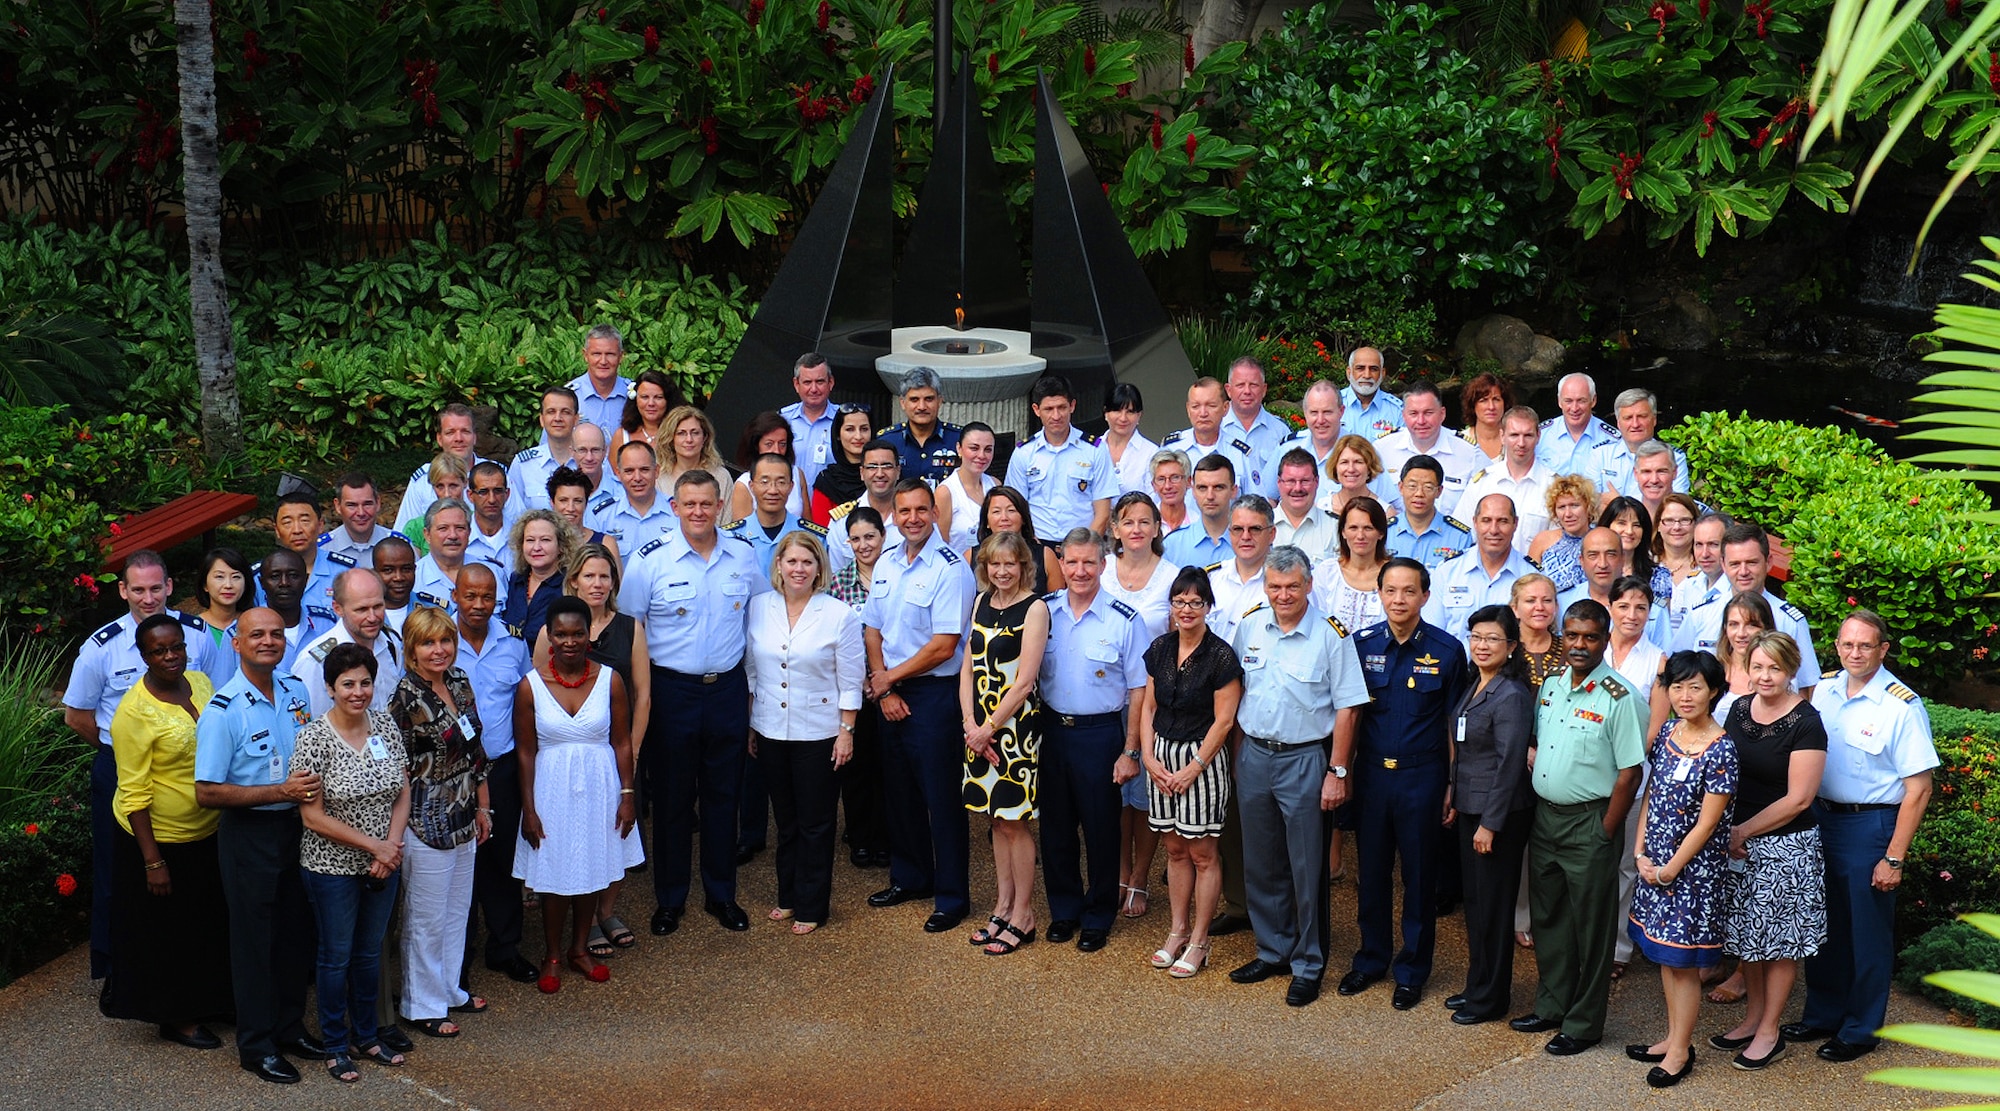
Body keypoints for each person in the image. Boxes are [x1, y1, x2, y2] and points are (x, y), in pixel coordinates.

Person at [619, 469, 766, 937]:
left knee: (725, 797)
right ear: (675, 508)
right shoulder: (651, 560)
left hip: (725, 688)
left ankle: (722, 894)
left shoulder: (742, 556)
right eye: (690, 505)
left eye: (707, 504)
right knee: (673, 799)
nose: (699, 512)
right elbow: (632, 630)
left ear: (720, 506)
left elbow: (759, 624)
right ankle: (670, 899)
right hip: (671, 691)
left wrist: (751, 696)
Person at [1790, 610, 1939, 1062]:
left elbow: (1919, 788)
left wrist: (1893, 858)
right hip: (1823, 819)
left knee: (1866, 933)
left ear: (1883, 650)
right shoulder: (1825, 692)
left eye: (1865, 645)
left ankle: (1860, 1028)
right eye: (1847, 644)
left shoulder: (1901, 706)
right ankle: (1823, 1014)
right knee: (1824, 925)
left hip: (1870, 826)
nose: (1855, 652)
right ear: (1836, 646)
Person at [1230, 546, 1371, 1007]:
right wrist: (1237, 757)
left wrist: (1338, 771)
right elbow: (1236, 694)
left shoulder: (1332, 635)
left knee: (1307, 867)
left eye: (1292, 586)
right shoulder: (1250, 624)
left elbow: (1348, 707)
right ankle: (1273, 950)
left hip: (1306, 759)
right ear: (1265, 586)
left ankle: (1309, 964)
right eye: (1275, 586)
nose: (1283, 594)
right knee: (1261, 861)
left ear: (1309, 585)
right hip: (1254, 755)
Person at [70, 550, 220, 983]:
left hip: (188, 774)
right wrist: (127, 752)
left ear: (170, 586)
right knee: (118, 871)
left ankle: (188, 970)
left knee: (192, 881)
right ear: (123, 591)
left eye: (156, 587)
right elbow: (77, 715)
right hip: (122, 769)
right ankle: (117, 965)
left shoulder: (196, 634)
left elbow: (209, 697)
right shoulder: (101, 647)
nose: (148, 597)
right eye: (138, 589)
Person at [193, 607, 328, 1085]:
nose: (267, 641)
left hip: (299, 827)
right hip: (250, 833)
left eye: (275, 634)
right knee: (254, 945)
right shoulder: (223, 710)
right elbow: (207, 791)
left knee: (295, 936)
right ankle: (256, 1045)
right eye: (256, 635)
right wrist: (279, 793)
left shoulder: (296, 690)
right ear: (237, 642)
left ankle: (290, 1028)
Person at [1511, 599, 1645, 1056]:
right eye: (1573, 635)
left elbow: (1630, 774)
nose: (1580, 644)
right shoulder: (1550, 686)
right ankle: (1552, 1005)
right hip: (1546, 817)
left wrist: (1606, 829)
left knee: (1591, 927)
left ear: (1605, 640)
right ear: (1562, 636)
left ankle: (1585, 1024)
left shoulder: (1620, 697)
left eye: (1590, 636)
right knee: (1549, 919)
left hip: (1592, 820)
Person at [100, 614, 232, 1051]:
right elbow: (133, 792)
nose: (171, 656)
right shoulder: (133, 713)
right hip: (160, 838)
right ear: (143, 656)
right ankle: (178, 1017)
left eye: (176, 646)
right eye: (159, 651)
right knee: (169, 932)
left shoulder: (200, 682)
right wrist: (153, 861)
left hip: (208, 828)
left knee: (206, 922)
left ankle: (211, 999)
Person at [1341, 556, 1468, 1009]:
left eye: (1408, 591)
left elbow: (1457, 725)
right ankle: (1370, 959)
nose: (1399, 599)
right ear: (1379, 594)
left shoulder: (1448, 651)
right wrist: (1343, 773)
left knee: (1419, 879)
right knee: (1371, 873)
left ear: (1425, 596)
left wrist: (1452, 785)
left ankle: (1412, 971)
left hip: (1423, 777)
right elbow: (1350, 717)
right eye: (1390, 590)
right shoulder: (1360, 645)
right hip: (1373, 775)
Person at [861, 479, 977, 933]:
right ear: (895, 514)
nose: (912, 519)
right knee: (900, 792)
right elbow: (872, 627)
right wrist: (884, 687)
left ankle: (951, 897)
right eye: (904, 511)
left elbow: (945, 646)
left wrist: (889, 678)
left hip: (932, 695)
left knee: (941, 797)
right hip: (891, 693)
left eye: (920, 510)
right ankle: (911, 878)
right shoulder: (888, 561)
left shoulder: (951, 569)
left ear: (933, 512)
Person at [1710, 631, 1828, 1070]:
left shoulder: (1806, 721)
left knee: (1777, 944)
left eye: (1774, 668)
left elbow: (1799, 798)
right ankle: (1752, 1017)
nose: (1764, 676)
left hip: (1785, 846)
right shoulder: (1738, 710)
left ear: (1791, 670)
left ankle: (1770, 1030)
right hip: (1739, 844)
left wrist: (1742, 831)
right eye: (1756, 666)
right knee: (1747, 938)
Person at [293, 642, 411, 1081]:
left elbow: (402, 790)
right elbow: (312, 816)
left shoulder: (384, 724)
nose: (358, 692)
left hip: (384, 863)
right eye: (347, 684)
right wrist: (373, 846)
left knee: (368, 955)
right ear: (329, 688)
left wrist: (392, 845)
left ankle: (367, 1036)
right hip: (332, 868)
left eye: (364, 682)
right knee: (335, 957)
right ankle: (336, 1044)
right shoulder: (312, 737)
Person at [513, 597, 641, 991]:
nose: (570, 641)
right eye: (561, 634)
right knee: (554, 874)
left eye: (578, 633)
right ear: (549, 636)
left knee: (591, 869)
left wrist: (627, 794)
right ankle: (553, 953)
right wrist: (529, 810)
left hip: (600, 786)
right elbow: (525, 752)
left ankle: (579, 948)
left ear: (590, 635)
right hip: (551, 789)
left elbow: (621, 742)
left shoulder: (610, 679)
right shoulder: (530, 686)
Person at [1625, 650, 1738, 1088]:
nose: (1684, 695)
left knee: (1683, 963)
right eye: (1676, 686)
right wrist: (1640, 854)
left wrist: (1670, 869)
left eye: (1695, 687)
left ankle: (1679, 1052)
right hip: (1655, 865)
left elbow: (1709, 823)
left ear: (1713, 690)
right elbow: (1651, 793)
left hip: (1692, 876)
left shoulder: (1722, 748)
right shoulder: (1669, 731)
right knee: (1665, 961)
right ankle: (1673, 1038)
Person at [532, 543, 650, 953]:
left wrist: (631, 753)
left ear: (614, 581)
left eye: (605, 576)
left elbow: (643, 692)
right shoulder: (553, 628)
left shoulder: (630, 627)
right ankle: (577, 921)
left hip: (614, 747)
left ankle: (605, 911)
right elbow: (540, 692)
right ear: (574, 580)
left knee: (611, 832)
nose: (597, 583)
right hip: (564, 751)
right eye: (590, 575)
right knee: (569, 833)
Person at [1036, 529, 1150, 954]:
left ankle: (1099, 915)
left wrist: (1131, 750)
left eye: (1089, 562)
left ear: (1104, 565)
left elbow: (1139, 689)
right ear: (1061, 564)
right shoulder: (1042, 612)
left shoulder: (1125, 619)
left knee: (1103, 831)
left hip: (1101, 734)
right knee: (1056, 829)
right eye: (1072, 562)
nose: (1080, 571)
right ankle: (1064, 911)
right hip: (1052, 732)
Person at [747, 531, 862, 935]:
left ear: (819, 569)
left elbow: (851, 679)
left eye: (807, 563)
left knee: (816, 822)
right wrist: (750, 722)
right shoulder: (760, 607)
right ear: (778, 564)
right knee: (787, 819)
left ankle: (813, 904)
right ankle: (788, 896)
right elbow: (752, 668)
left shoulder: (838, 614)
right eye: (791, 561)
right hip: (771, 728)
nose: (798, 569)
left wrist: (846, 731)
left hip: (820, 733)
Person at [388, 606, 491, 1037]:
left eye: (445, 640)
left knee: (456, 912)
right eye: (428, 643)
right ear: (412, 650)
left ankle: (449, 990)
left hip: (466, 812)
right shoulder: (405, 698)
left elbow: (475, 750)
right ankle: (421, 1004)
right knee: (425, 919)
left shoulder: (460, 682)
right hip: (425, 820)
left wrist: (485, 807)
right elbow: (398, 768)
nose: (439, 650)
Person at [1139, 566, 1243, 978]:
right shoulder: (1160, 648)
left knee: (1202, 852)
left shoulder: (1221, 656)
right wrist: (1147, 756)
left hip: (1202, 759)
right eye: (1179, 601)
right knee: (1174, 849)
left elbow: (1224, 722)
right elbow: (1149, 706)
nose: (1186, 609)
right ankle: (1176, 930)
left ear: (1208, 607)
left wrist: (1193, 767)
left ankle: (1200, 940)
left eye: (1195, 602)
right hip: (1161, 755)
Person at [958, 532, 1051, 956]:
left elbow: (1026, 680)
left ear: (1024, 566)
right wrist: (969, 724)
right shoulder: (980, 602)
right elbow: (967, 667)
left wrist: (989, 727)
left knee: (1015, 820)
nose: (1002, 571)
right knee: (995, 820)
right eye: (994, 564)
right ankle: (1003, 903)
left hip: (1014, 728)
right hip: (977, 728)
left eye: (1010, 564)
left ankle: (1024, 913)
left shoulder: (1034, 608)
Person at [1447, 605, 1536, 1026]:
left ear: (1512, 646)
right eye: (1476, 637)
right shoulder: (1475, 683)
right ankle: (1476, 985)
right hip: (1469, 805)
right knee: (1477, 906)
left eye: (1492, 639)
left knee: (1494, 909)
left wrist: (1490, 823)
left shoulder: (1512, 694)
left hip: (1496, 816)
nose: (1482, 645)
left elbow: (1510, 763)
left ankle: (1491, 998)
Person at [451, 565, 537, 984]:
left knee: (503, 862)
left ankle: (505, 948)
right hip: (452, 775)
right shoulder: (438, 640)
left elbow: (525, 706)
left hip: (500, 769)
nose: (479, 605)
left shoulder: (512, 643)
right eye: (471, 596)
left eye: (487, 597)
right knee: (458, 866)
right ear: (455, 595)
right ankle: (456, 961)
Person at [1101, 492, 1174, 918]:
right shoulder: (1102, 570)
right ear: (1114, 529)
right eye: (1128, 522)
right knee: (1115, 795)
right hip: (1105, 697)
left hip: (1153, 699)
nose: (1136, 530)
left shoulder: (1170, 576)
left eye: (1145, 522)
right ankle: (1120, 872)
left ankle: (1141, 876)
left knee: (1144, 796)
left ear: (1157, 528)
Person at [1673, 522, 1822, 694]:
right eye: (1735, 564)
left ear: (1768, 563)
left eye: (1751, 562)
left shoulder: (1789, 620)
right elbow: (1678, 669)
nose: (1743, 572)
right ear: (1723, 564)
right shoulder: (1702, 613)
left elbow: (1807, 687)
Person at [829, 508, 890, 869]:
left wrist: (882, 678)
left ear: (883, 537)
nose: (863, 544)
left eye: (870, 537)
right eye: (856, 538)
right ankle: (860, 837)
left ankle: (886, 837)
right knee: (855, 768)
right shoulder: (838, 583)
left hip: (889, 684)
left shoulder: (896, 575)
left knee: (887, 767)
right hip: (853, 689)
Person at [1006, 373, 1117, 538]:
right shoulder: (1023, 453)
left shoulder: (1095, 450)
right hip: (1037, 547)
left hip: (1082, 546)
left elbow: (1103, 512)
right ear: (1036, 410)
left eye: (1062, 407)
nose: (1056, 416)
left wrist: (1084, 550)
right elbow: (1014, 510)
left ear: (1072, 406)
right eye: (1049, 409)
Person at [1422, 493, 1534, 648]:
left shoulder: (1532, 577)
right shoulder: (1447, 572)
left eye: (1503, 521)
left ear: (1515, 523)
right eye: (1486, 521)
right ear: (1475, 522)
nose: (1494, 530)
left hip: (1512, 670)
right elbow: (1432, 634)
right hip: (1456, 670)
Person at [301, 570, 404, 717]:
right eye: (362, 609)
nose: (372, 617)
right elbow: (313, 723)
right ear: (338, 609)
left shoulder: (391, 642)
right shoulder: (314, 662)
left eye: (378, 606)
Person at [1372, 382, 1482, 519]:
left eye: (1428, 413)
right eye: (1413, 413)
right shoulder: (1382, 449)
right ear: (1403, 416)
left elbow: (1486, 501)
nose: (1421, 421)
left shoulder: (1470, 453)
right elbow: (1368, 494)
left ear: (1442, 414)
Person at [1461, 407, 1557, 552]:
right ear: (1502, 436)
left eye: (1528, 435)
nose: (1521, 443)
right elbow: (1463, 536)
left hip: (1534, 573)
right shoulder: (1482, 483)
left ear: (1538, 436)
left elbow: (1558, 544)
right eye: (1514, 435)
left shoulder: (1553, 486)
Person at [394, 405, 482, 535]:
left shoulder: (495, 475)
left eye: (465, 431)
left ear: (474, 437)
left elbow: (514, 525)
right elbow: (403, 534)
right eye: (450, 432)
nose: (458, 438)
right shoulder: (422, 479)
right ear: (439, 439)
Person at [1589, 389, 1691, 501]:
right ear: (1618, 423)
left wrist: (1618, 503)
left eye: (1642, 416)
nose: (1635, 424)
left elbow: (1676, 505)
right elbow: (1591, 503)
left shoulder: (1675, 457)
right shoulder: (1600, 454)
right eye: (1628, 418)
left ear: (1654, 420)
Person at [1162, 376, 1256, 495]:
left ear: (1225, 408)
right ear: (1188, 409)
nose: (1203, 413)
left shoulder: (1241, 454)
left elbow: (1256, 505)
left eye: (1211, 406)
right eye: (1196, 406)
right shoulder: (1171, 449)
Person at [1311, 497, 1390, 635]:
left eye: (1368, 528)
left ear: (1381, 533)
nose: (1360, 535)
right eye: (1353, 528)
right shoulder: (1327, 572)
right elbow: (1315, 620)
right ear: (1343, 532)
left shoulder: (1394, 575)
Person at [827, 439, 903, 575]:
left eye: (886, 466)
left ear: (898, 471)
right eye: (872, 467)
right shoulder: (842, 520)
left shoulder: (911, 519)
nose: (880, 474)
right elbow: (835, 575)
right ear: (862, 472)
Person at [256, 549, 335, 682]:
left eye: (293, 576)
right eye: (275, 576)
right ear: (262, 582)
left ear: (306, 580)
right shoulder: (242, 630)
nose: (284, 583)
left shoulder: (327, 625)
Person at [1207, 495, 1277, 645]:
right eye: (1238, 529)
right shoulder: (1211, 579)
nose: (1246, 536)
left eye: (1255, 529)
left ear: (1272, 534)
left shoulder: (1285, 585)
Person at [1261, 380, 1344, 500]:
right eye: (1314, 413)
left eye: (1327, 412)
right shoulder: (1287, 448)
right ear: (1305, 413)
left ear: (1341, 412)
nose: (1320, 420)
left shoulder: (1356, 452)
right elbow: (1267, 497)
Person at [266, 489, 345, 616]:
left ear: (320, 525)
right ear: (277, 530)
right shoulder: (262, 576)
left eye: (304, 521)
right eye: (287, 523)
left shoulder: (345, 571)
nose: (297, 530)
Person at [1383, 456, 1471, 569]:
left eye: (1428, 487)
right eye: (1412, 486)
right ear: (1401, 488)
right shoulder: (1384, 532)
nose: (1419, 493)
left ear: (1439, 491)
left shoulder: (1460, 536)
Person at [503, 509, 574, 648]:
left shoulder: (570, 584)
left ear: (561, 546)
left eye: (545, 540)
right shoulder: (515, 580)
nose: (536, 547)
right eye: (530, 540)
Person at [881, 366, 963, 486]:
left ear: (940, 401)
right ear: (903, 403)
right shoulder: (887, 441)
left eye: (929, 399)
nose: (921, 407)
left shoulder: (959, 439)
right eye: (914, 399)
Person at [595, 442, 678, 557]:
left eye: (644, 470)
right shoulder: (603, 516)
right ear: (618, 474)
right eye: (629, 471)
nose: (637, 478)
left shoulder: (677, 513)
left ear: (656, 471)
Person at [975, 484, 1061, 593]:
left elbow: (1056, 603)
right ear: (986, 520)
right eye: (996, 512)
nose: (1004, 518)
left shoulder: (1045, 555)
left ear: (1023, 517)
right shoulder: (971, 556)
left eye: (1011, 510)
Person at [727, 411, 812, 522]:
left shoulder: (797, 473)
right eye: (769, 444)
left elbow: (808, 525)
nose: (776, 450)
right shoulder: (743, 484)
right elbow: (742, 532)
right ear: (756, 446)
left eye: (782, 444)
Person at [507, 387, 581, 512]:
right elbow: (513, 514)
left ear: (576, 419)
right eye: (551, 411)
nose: (558, 418)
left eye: (565, 412)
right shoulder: (523, 465)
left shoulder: (591, 461)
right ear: (542, 419)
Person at [1160, 454, 1236, 569]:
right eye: (1202, 488)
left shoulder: (1248, 543)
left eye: (1218, 487)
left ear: (1233, 491)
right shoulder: (1172, 546)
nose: (1210, 496)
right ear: (1193, 491)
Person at [933, 420, 999, 553]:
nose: (981, 456)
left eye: (988, 450)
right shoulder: (945, 492)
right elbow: (940, 545)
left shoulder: (995, 485)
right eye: (974, 448)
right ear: (959, 449)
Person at [1536, 372, 1620, 476]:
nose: (1574, 408)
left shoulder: (1612, 440)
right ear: (1559, 401)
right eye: (1568, 401)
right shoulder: (1539, 436)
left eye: (1581, 401)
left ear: (1593, 400)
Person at [1526, 476, 1599, 593]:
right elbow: (1527, 585)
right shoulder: (1542, 540)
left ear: (1588, 507)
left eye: (1574, 505)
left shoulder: (1600, 540)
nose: (1568, 514)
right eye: (1561, 507)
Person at [659, 406, 732, 523]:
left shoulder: (721, 476)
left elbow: (727, 524)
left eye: (695, 433)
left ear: (705, 438)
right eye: (681, 433)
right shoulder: (659, 478)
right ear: (671, 439)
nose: (689, 439)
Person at [194, 546, 253, 687]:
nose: (228, 585)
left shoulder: (254, 624)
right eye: (219, 577)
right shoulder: (192, 630)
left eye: (236, 577)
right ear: (205, 585)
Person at [1597, 496, 1673, 604]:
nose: (1629, 531)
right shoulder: (1591, 571)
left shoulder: (1658, 576)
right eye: (1622, 523)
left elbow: (1662, 617)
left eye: (1636, 525)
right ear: (1607, 525)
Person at [809, 405, 875, 525]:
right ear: (838, 434)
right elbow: (821, 533)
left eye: (864, 429)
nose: (858, 436)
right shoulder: (827, 481)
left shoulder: (884, 475)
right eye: (850, 429)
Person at [1673, 511, 1733, 643]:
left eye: (1713, 544)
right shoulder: (1691, 583)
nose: (1704, 554)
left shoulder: (1736, 590)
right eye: (1699, 544)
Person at [781, 352, 839, 489]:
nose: (814, 389)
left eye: (820, 382)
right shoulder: (783, 420)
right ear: (796, 384)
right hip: (789, 506)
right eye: (807, 382)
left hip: (830, 507)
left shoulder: (844, 421)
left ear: (830, 382)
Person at [1270, 448, 1338, 562]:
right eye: (1290, 481)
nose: (1297, 488)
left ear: (1317, 482)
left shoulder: (1336, 527)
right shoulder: (1261, 526)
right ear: (1279, 483)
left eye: (1305, 481)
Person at [569, 324, 634, 442]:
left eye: (610, 354)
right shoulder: (568, 396)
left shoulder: (635, 395)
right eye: (597, 354)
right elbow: (551, 445)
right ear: (585, 355)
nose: (603, 361)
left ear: (621, 357)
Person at [411, 496, 474, 614]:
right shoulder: (413, 579)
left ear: (469, 533)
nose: (453, 536)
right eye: (443, 528)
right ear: (427, 535)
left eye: (460, 528)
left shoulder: (492, 572)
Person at [547, 464, 620, 562]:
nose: (570, 508)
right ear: (552, 502)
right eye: (563, 500)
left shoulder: (606, 544)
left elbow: (616, 577)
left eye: (577, 501)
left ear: (586, 503)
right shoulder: (541, 545)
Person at [321, 473, 395, 567]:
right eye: (352, 505)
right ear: (338, 506)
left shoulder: (400, 546)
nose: (361, 513)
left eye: (367, 504)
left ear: (378, 503)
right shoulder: (321, 550)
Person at [1101, 381, 1159, 495]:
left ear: (1139, 415)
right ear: (1105, 413)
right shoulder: (1092, 448)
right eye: (1117, 410)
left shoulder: (1151, 453)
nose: (1123, 418)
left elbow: (1155, 499)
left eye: (1130, 412)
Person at [610, 369, 680, 462]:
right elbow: (615, 473)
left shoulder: (680, 434)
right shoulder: (622, 436)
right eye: (645, 397)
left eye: (658, 397)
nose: (651, 403)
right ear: (635, 399)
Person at [1319, 434, 1398, 517]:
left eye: (1358, 462)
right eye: (1344, 462)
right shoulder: (1322, 507)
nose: (1351, 469)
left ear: (1370, 468)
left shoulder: (1385, 513)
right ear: (1335, 467)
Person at [1511, 573, 1565, 689]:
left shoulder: (1569, 649)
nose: (1540, 607)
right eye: (1531, 601)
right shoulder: (1504, 649)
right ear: (1515, 608)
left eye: (1547, 600)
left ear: (1556, 606)